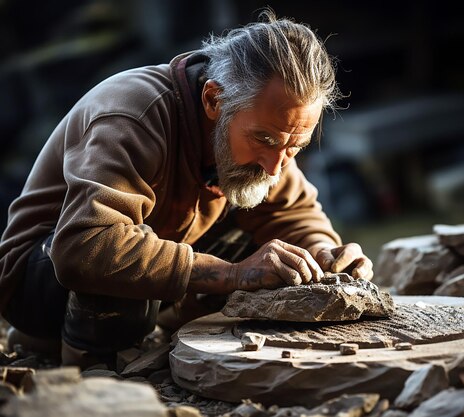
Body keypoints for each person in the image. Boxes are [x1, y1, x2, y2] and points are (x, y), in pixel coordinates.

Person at [0, 9, 373, 367]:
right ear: (214, 99)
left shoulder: (263, 135)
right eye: (265, 139)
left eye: (295, 147)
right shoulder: (135, 114)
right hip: (38, 281)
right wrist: (232, 274)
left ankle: (157, 334)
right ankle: (87, 362)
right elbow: (86, 246)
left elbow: (293, 214)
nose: (277, 164)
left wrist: (325, 256)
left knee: (278, 260)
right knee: (123, 250)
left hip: (143, 268)